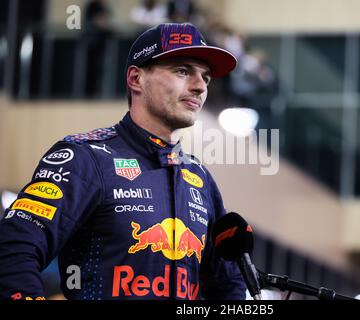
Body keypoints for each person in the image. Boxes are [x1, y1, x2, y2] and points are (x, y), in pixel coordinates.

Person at [0, 23, 246, 300]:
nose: (200, 86)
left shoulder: (200, 179)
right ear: (135, 79)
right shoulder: (84, 157)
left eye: (206, 78)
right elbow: (14, 247)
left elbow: (230, 288)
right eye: (182, 71)